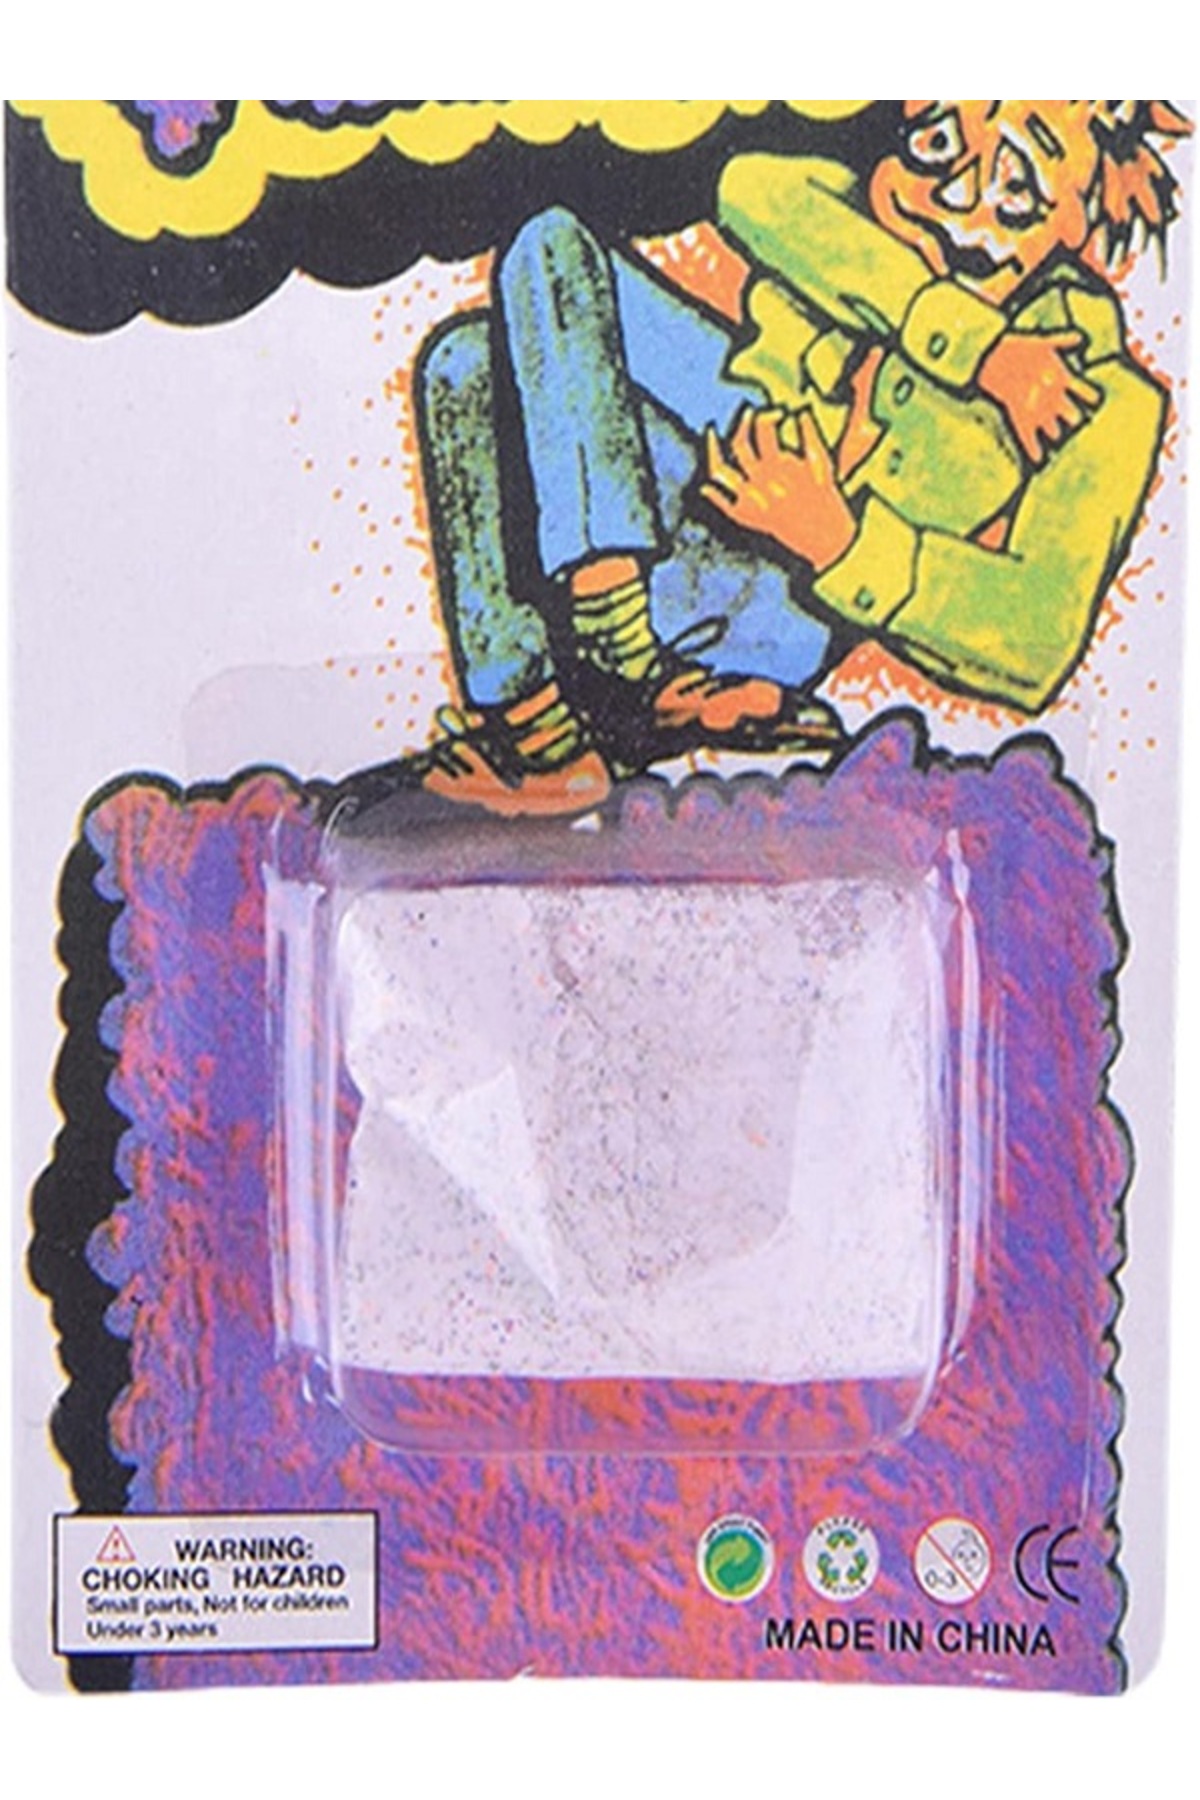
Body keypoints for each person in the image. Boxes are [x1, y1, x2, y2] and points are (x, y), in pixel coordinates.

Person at [409, 100, 1186, 815]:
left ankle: (604, 689)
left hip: (776, 596)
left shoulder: (1107, 395)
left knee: (488, 344)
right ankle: (559, 715)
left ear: (1083, 215)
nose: (955, 195)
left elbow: (1034, 641)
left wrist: (837, 539)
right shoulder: (860, 236)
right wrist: (974, 345)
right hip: (714, 460)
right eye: (942, 145)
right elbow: (750, 190)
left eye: (1016, 185)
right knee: (494, 318)